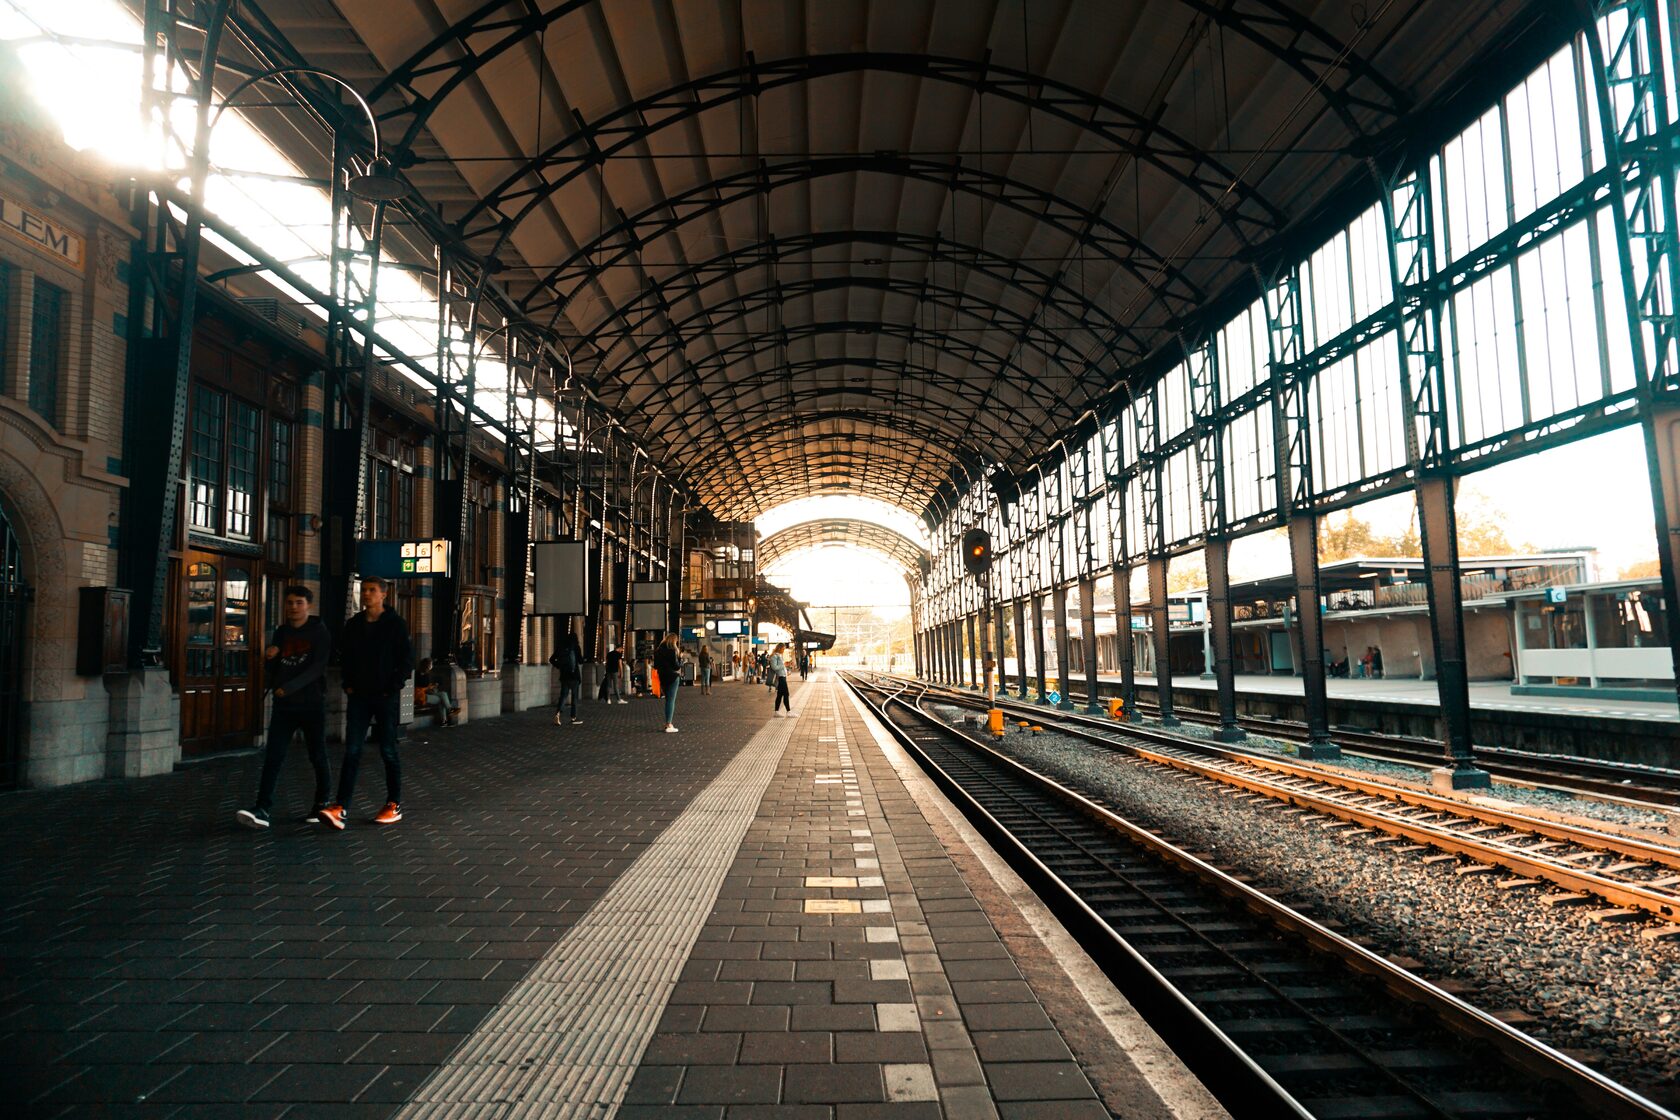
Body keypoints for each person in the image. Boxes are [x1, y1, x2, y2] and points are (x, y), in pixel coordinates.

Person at [237, 585, 332, 830]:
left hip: (311, 703)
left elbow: (318, 667)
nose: (293, 607)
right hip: (284, 705)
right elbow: (274, 667)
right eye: (289, 602)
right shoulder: (281, 632)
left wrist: (289, 687)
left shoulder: (319, 631)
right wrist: (269, 658)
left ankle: (321, 803)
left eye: (298, 602)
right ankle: (263, 808)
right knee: (274, 755)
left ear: (308, 605)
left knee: (317, 754)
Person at [322, 578, 414, 829]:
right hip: (359, 696)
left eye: (372, 590)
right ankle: (341, 806)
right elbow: (345, 657)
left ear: (384, 595)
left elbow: (407, 659)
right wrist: (348, 684)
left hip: (385, 697)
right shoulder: (353, 625)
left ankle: (393, 803)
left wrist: (392, 686)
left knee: (388, 750)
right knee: (352, 751)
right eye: (364, 590)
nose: (366, 594)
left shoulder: (395, 625)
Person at [551, 630, 584, 725]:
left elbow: (551, 659)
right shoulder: (576, 648)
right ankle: (573, 718)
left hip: (564, 675)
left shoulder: (561, 647)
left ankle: (557, 714)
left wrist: (559, 666)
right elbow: (581, 661)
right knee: (574, 698)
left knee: (563, 696)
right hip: (574, 676)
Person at [414, 657, 457, 726]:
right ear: (427, 665)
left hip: (425, 694)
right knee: (442, 699)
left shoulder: (426, 674)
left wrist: (432, 687)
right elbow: (421, 687)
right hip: (420, 696)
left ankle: (445, 719)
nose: (431, 666)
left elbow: (426, 687)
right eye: (431, 664)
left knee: (443, 695)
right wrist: (430, 688)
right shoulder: (417, 674)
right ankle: (448, 714)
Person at [654, 633, 682, 732]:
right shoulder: (673, 650)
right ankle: (669, 724)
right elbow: (677, 666)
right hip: (673, 676)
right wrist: (680, 658)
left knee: (667, 700)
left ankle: (668, 723)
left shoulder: (658, 650)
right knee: (671, 700)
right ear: (674, 641)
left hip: (662, 676)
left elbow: (656, 666)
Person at [769, 643, 791, 716]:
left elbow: (781, 666)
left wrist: (786, 669)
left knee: (780, 695)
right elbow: (774, 667)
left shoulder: (779, 656)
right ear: (779, 648)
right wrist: (783, 665)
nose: (783, 650)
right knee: (786, 694)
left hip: (783, 676)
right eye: (783, 649)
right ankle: (788, 712)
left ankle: (777, 712)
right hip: (780, 678)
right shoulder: (774, 656)